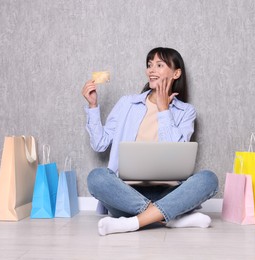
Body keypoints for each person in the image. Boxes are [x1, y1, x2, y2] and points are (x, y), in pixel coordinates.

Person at [82, 47, 219, 236]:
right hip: (126, 194)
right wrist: (92, 107)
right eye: (149, 65)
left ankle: (134, 222)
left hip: (170, 193)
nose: (151, 70)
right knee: (96, 177)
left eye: (159, 65)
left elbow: (175, 153)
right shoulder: (127, 103)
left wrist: (164, 110)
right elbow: (100, 144)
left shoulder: (186, 112)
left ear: (176, 73)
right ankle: (171, 217)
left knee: (209, 179)